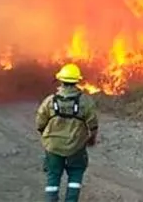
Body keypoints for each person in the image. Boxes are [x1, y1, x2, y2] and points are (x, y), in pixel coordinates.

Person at [35, 63, 98, 202]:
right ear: (77, 81)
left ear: (61, 80)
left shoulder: (50, 101)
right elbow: (93, 123)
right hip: (76, 147)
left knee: (53, 176)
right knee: (75, 175)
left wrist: (46, 136)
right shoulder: (85, 101)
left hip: (53, 147)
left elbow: (39, 122)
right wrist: (91, 138)